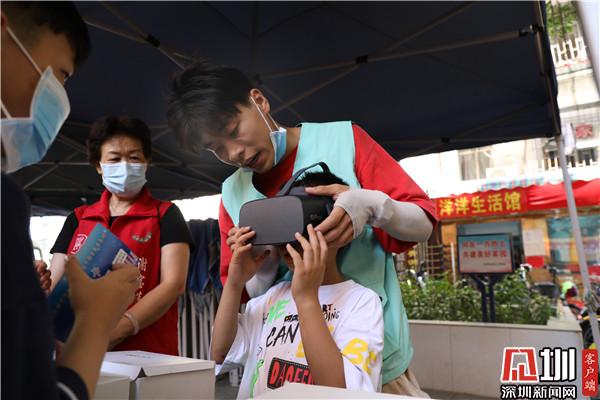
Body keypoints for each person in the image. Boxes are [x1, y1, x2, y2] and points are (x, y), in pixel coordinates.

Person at [167, 62, 435, 396]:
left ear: (259, 101)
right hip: (282, 363)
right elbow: (244, 298)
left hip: (376, 364)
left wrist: (373, 205)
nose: (234, 153)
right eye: (216, 148)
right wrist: (262, 266)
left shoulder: (344, 140)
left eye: (233, 130)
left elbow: (423, 225)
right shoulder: (233, 193)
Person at [1, 2, 139, 399]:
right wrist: (96, 320)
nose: (59, 99)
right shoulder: (28, 207)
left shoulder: (165, 216)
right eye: (60, 75)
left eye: (134, 158)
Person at [211, 170, 384, 398]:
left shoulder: (361, 302)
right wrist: (235, 283)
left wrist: (307, 299)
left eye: (301, 230)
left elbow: (340, 392)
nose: (290, 242)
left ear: (338, 231)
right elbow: (220, 353)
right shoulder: (272, 297)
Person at [49, 116, 193, 355]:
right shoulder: (78, 218)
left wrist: (122, 328)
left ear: (147, 161)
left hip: (148, 356)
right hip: (78, 351)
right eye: (114, 159)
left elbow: (173, 284)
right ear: (98, 165)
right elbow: (56, 282)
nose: (124, 166)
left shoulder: (165, 214)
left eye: (134, 157)